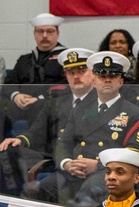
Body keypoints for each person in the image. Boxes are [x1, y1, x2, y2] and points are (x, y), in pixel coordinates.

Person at [37, 51, 139, 206]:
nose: (107, 80)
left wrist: (99, 165)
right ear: (94, 80)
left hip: (109, 174)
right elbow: (63, 143)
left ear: (121, 81)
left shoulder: (135, 114)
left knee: (89, 192)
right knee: (46, 187)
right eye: (101, 76)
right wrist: (67, 163)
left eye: (113, 76)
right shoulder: (81, 110)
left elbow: (135, 152)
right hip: (74, 172)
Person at [0, 48, 96, 195]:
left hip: (80, 160)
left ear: (93, 74)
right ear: (65, 75)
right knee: (6, 151)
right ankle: (12, 200)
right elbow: (36, 132)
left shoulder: (101, 103)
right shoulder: (56, 103)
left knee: (49, 186)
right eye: (71, 72)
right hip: (51, 156)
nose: (76, 76)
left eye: (82, 71)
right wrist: (19, 140)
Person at [6, 13, 67, 116]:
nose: (44, 35)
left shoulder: (66, 58)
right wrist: (16, 96)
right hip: (20, 105)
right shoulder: (24, 60)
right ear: (34, 34)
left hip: (50, 106)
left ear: (58, 33)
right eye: (40, 31)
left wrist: (39, 99)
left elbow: (66, 86)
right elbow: (8, 83)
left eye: (50, 31)